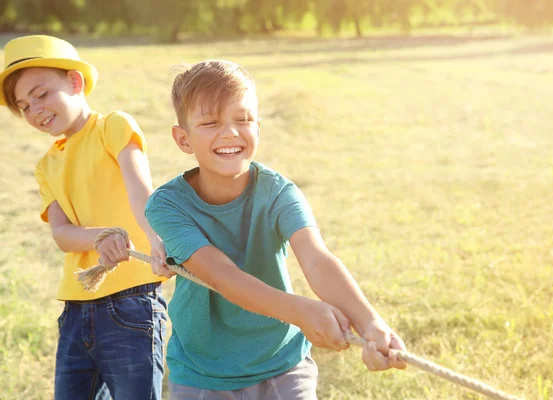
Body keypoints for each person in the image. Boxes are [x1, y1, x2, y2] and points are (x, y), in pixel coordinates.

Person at [145, 59, 408, 400]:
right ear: (183, 139)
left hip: (284, 366)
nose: (230, 132)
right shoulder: (167, 205)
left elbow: (316, 260)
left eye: (243, 119)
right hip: (202, 374)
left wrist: (371, 324)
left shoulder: (278, 192)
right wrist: (302, 311)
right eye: (210, 122)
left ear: (258, 126)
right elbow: (223, 276)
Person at [0, 35, 173, 399]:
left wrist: (156, 239)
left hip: (132, 300)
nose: (35, 110)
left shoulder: (113, 127)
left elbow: (141, 192)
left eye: (42, 93)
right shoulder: (46, 165)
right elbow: (62, 234)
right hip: (76, 309)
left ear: (75, 82)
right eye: (24, 105)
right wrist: (99, 237)